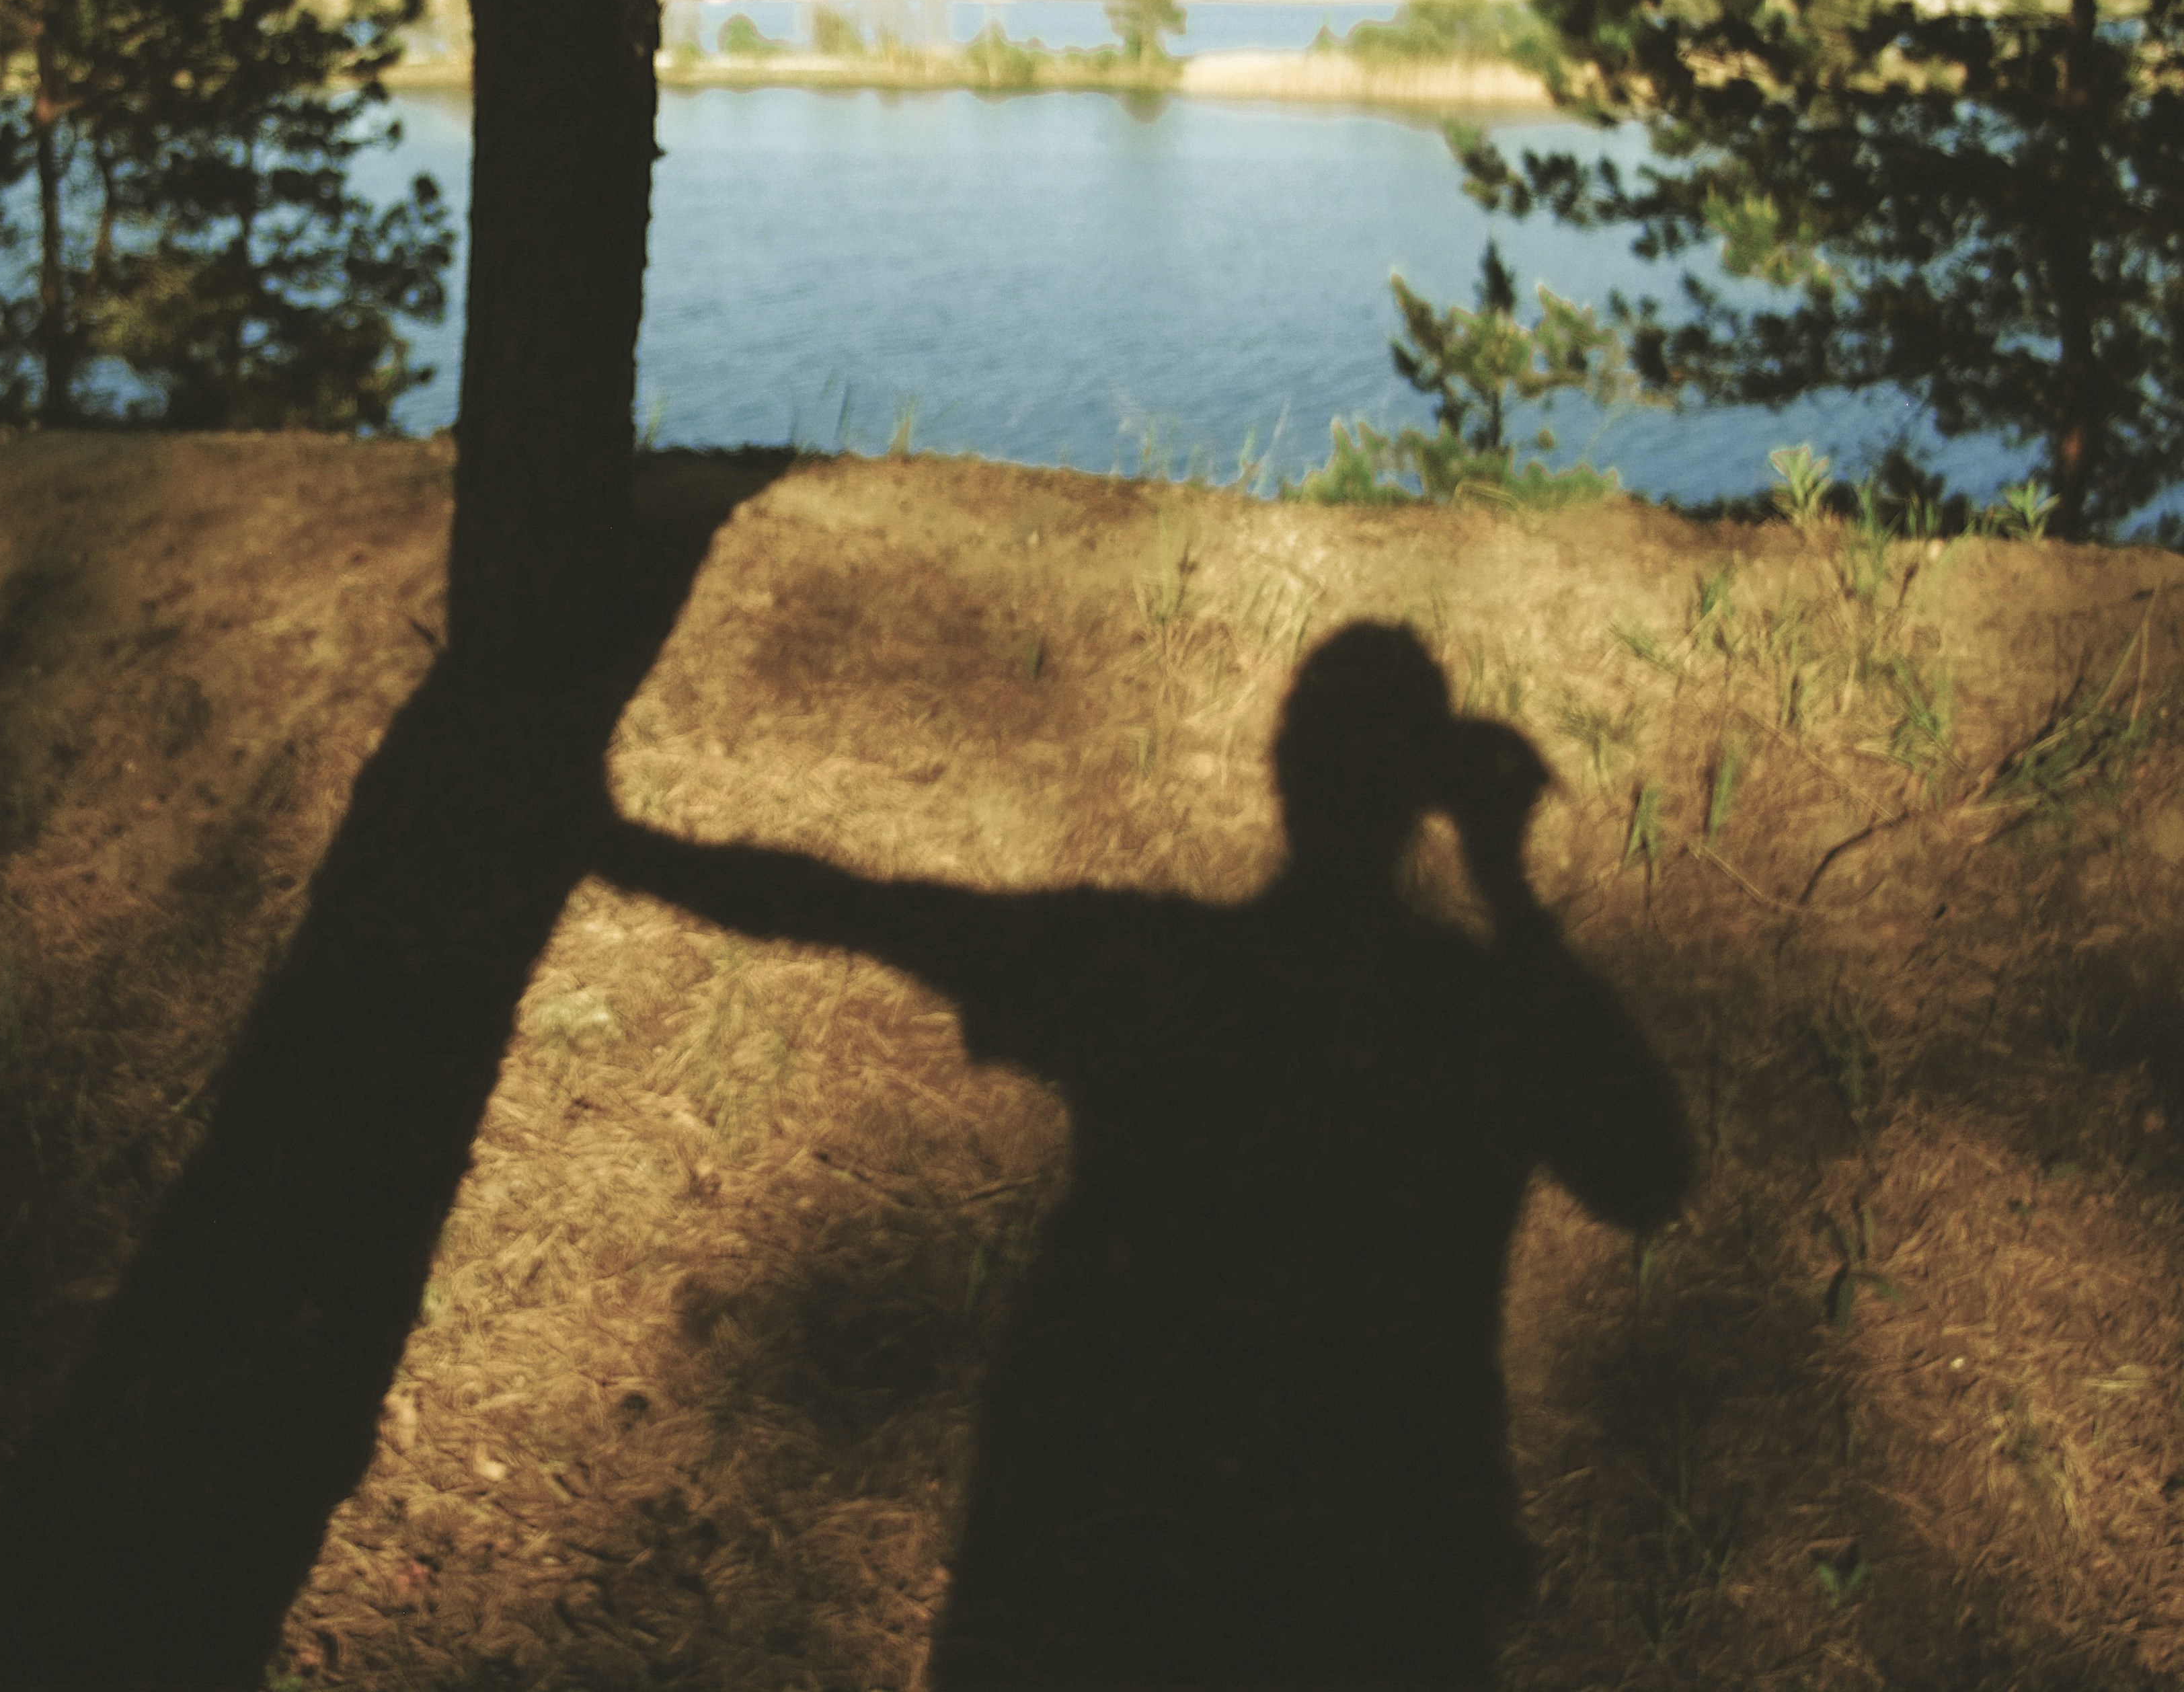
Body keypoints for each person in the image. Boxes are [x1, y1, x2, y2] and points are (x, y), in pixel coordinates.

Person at [590, 622, 1692, 1689]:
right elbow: (1646, 1175)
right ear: (1429, 795)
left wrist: (618, 850)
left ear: (1281, 772)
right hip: (1379, 1557)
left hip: (1113, 1542)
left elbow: (859, 910)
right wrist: (1508, 884)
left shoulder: (1157, 968)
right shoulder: (1483, 1015)